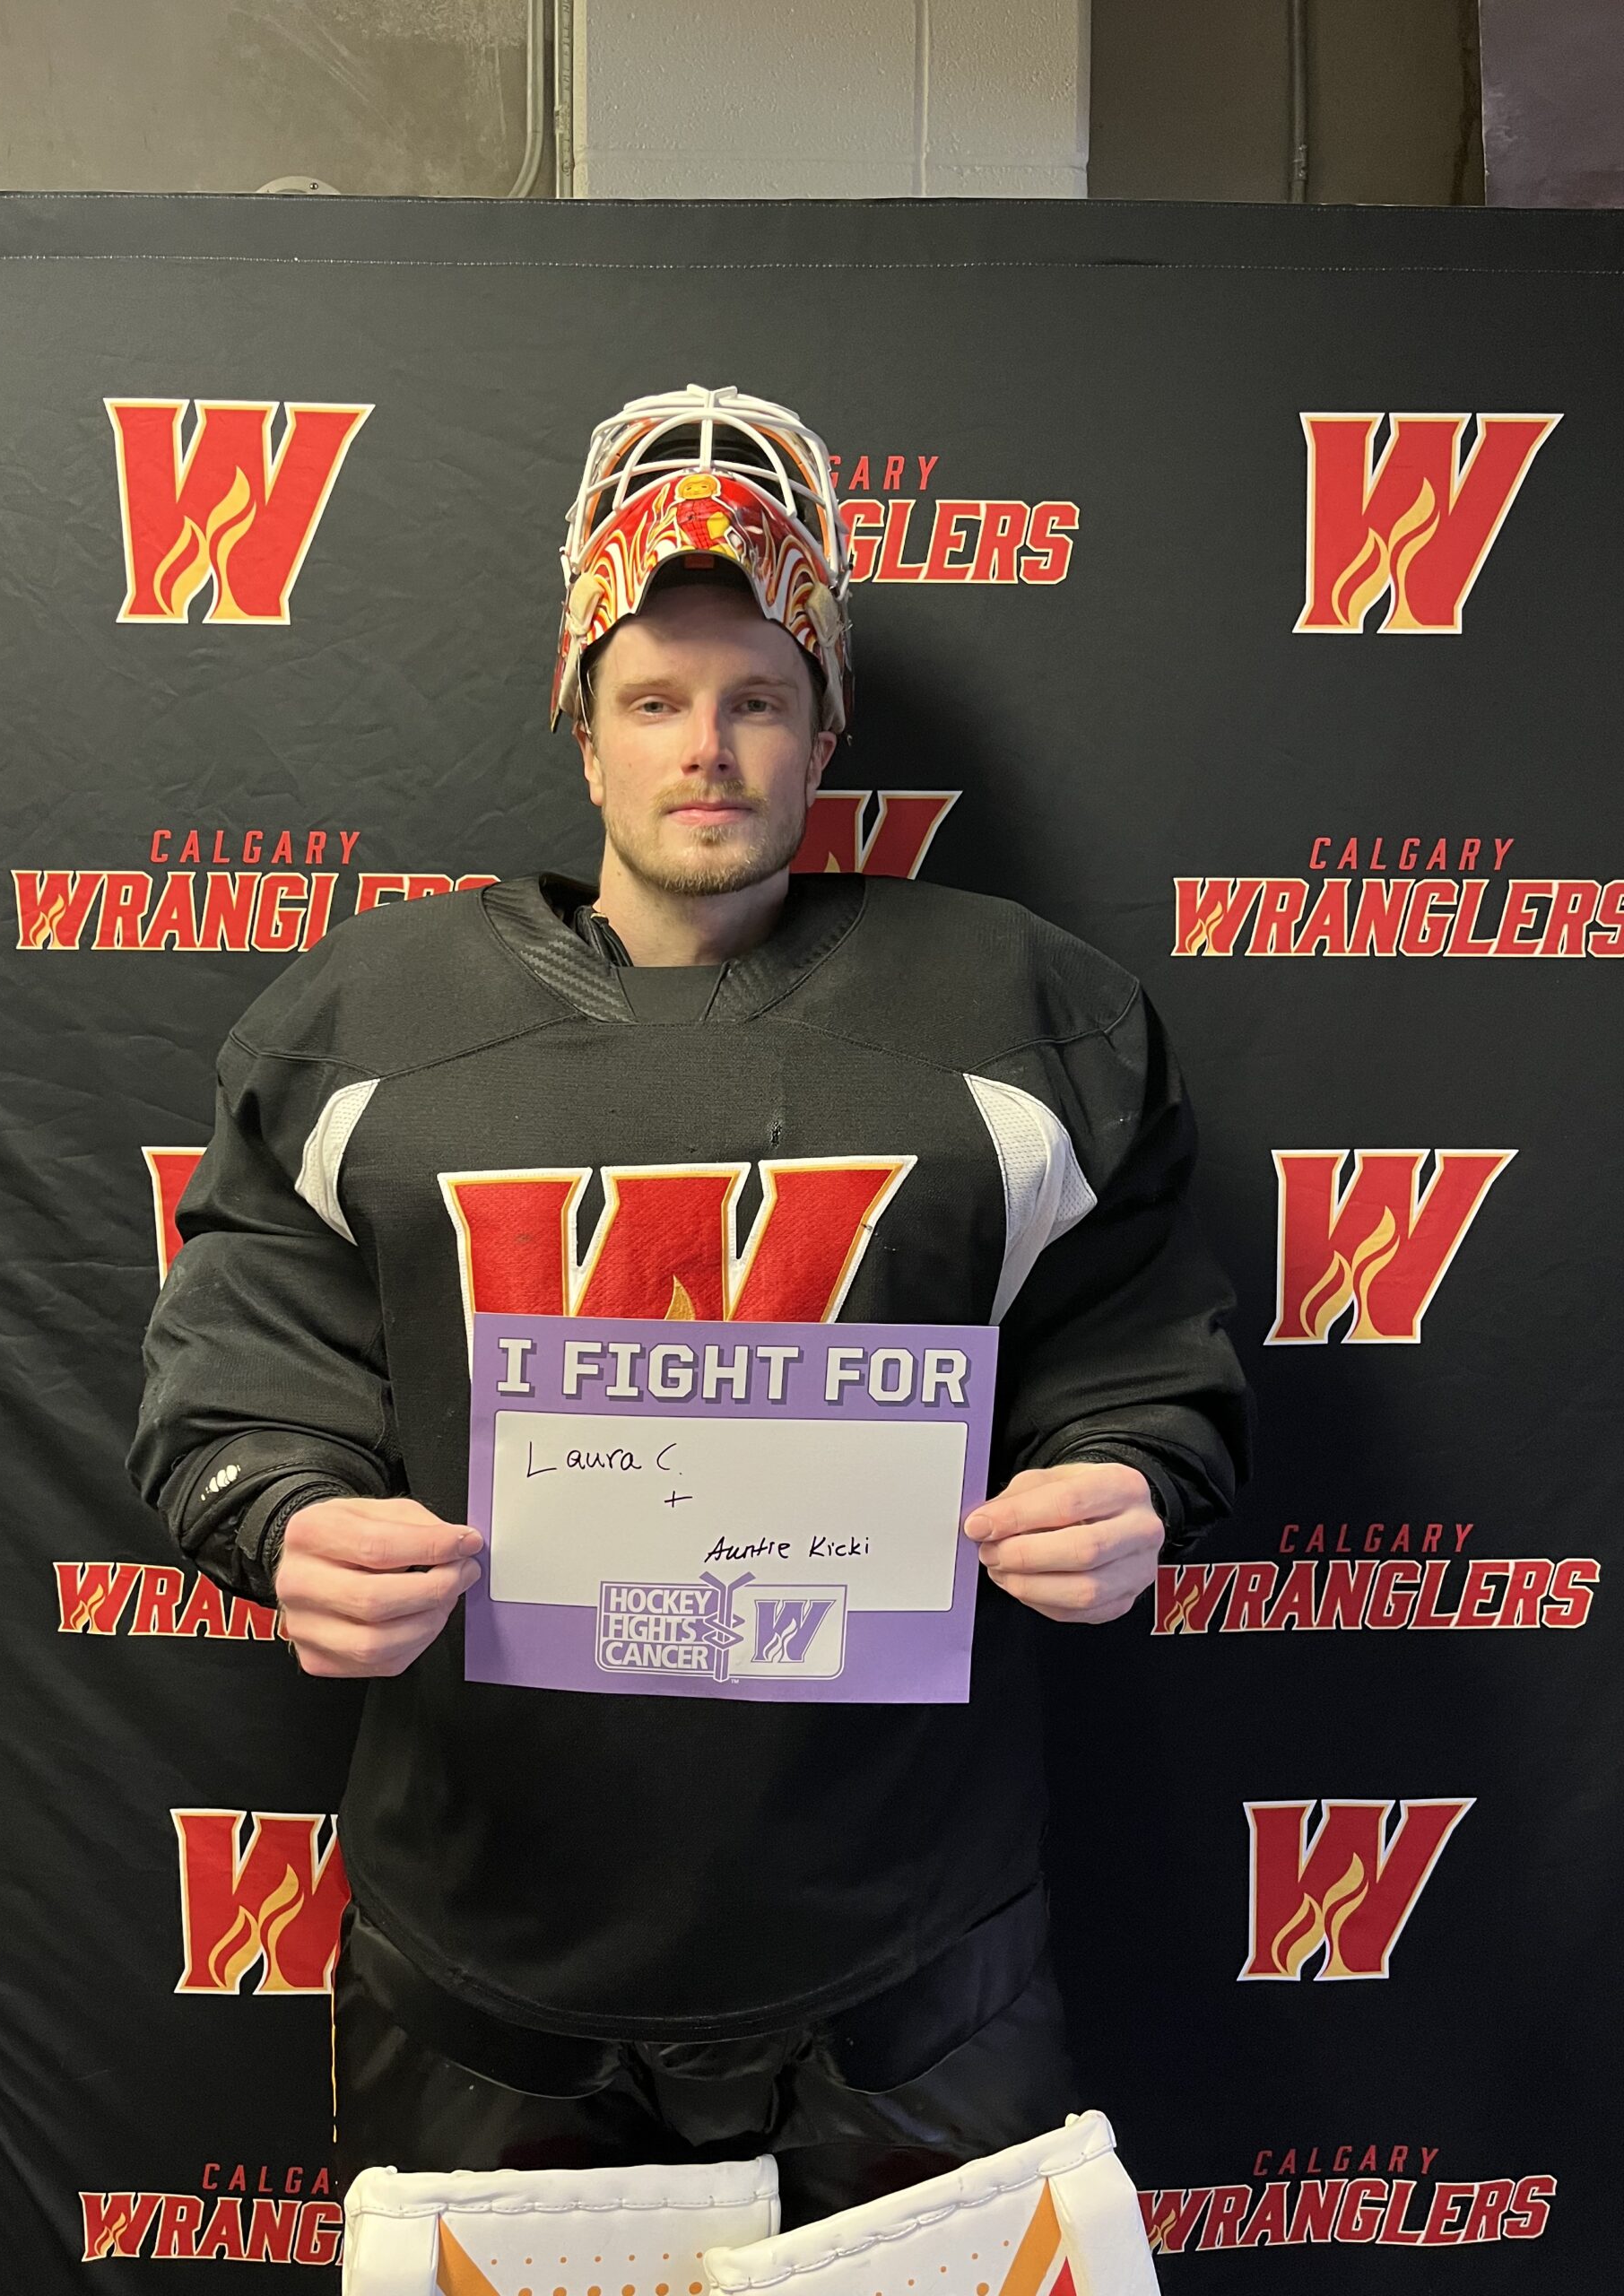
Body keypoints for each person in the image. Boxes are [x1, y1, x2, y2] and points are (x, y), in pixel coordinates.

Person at [131, 384, 1248, 2226]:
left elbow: (1134, 1346)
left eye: (759, 699)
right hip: (490, 1931)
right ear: (581, 730)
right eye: (654, 700)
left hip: (912, 1942)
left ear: (826, 728)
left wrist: (1126, 1475)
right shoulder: (358, 1028)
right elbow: (248, 1362)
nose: (707, 750)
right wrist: (287, 1509)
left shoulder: (1035, 1017)